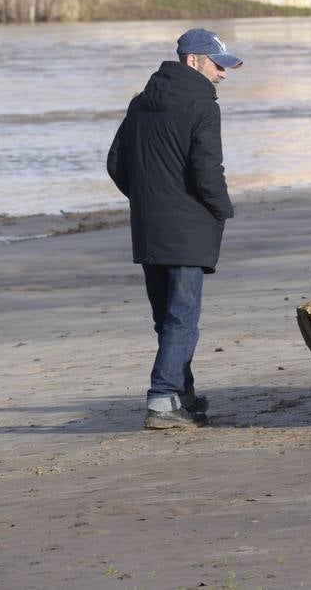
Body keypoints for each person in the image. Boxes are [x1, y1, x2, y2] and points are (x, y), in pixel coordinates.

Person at [107, 29, 243, 430]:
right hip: (187, 229)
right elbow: (207, 171)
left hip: (149, 227)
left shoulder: (140, 104)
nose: (223, 74)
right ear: (194, 61)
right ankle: (163, 400)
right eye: (218, 65)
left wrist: (146, 200)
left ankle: (182, 393)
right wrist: (222, 210)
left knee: (166, 317)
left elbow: (116, 164)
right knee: (181, 318)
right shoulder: (203, 105)